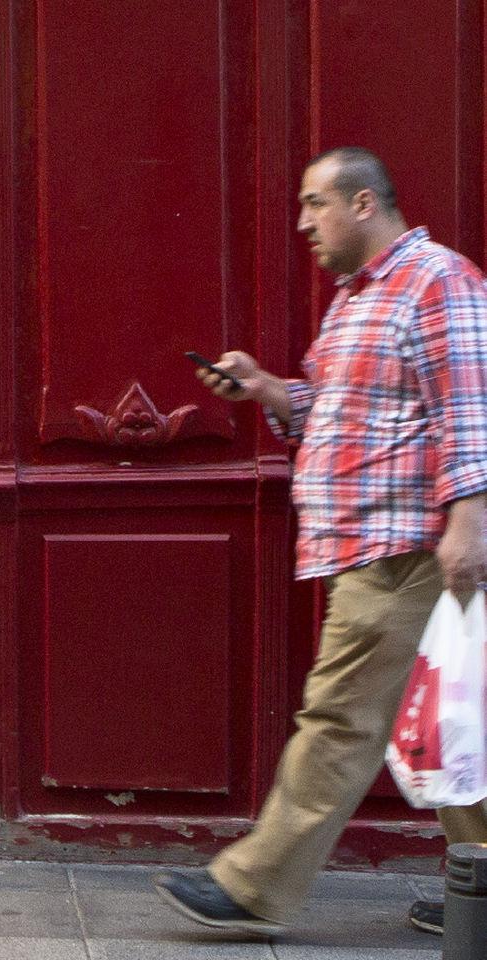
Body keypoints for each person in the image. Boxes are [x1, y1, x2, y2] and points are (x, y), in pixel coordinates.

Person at [154, 146, 487, 937]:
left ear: (363, 203)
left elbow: (471, 412)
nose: (303, 223)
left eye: (315, 203)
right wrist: (269, 389)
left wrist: (469, 523)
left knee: (339, 720)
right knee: (450, 719)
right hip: (372, 546)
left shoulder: (436, 281)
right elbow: (344, 413)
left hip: (403, 552)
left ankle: (254, 887)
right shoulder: (358, 297)